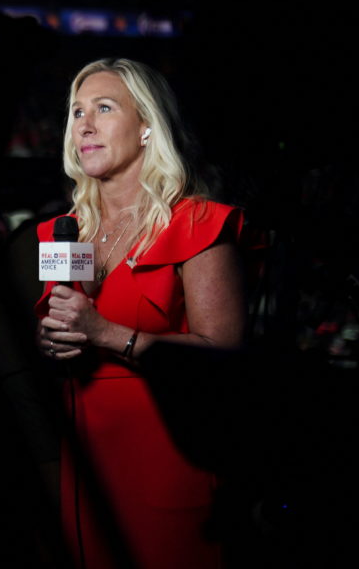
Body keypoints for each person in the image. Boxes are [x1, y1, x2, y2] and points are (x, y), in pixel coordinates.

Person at [34, 57, 247, 568]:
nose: (85, 125)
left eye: (104, 108)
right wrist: (53, 341)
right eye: (77, 111)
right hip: (85, 461)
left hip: (167, 456)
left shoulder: (196, 222)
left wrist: (105, 333)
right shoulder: (67, 231)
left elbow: (224, 355)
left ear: (147, 125)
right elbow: (59, 331)